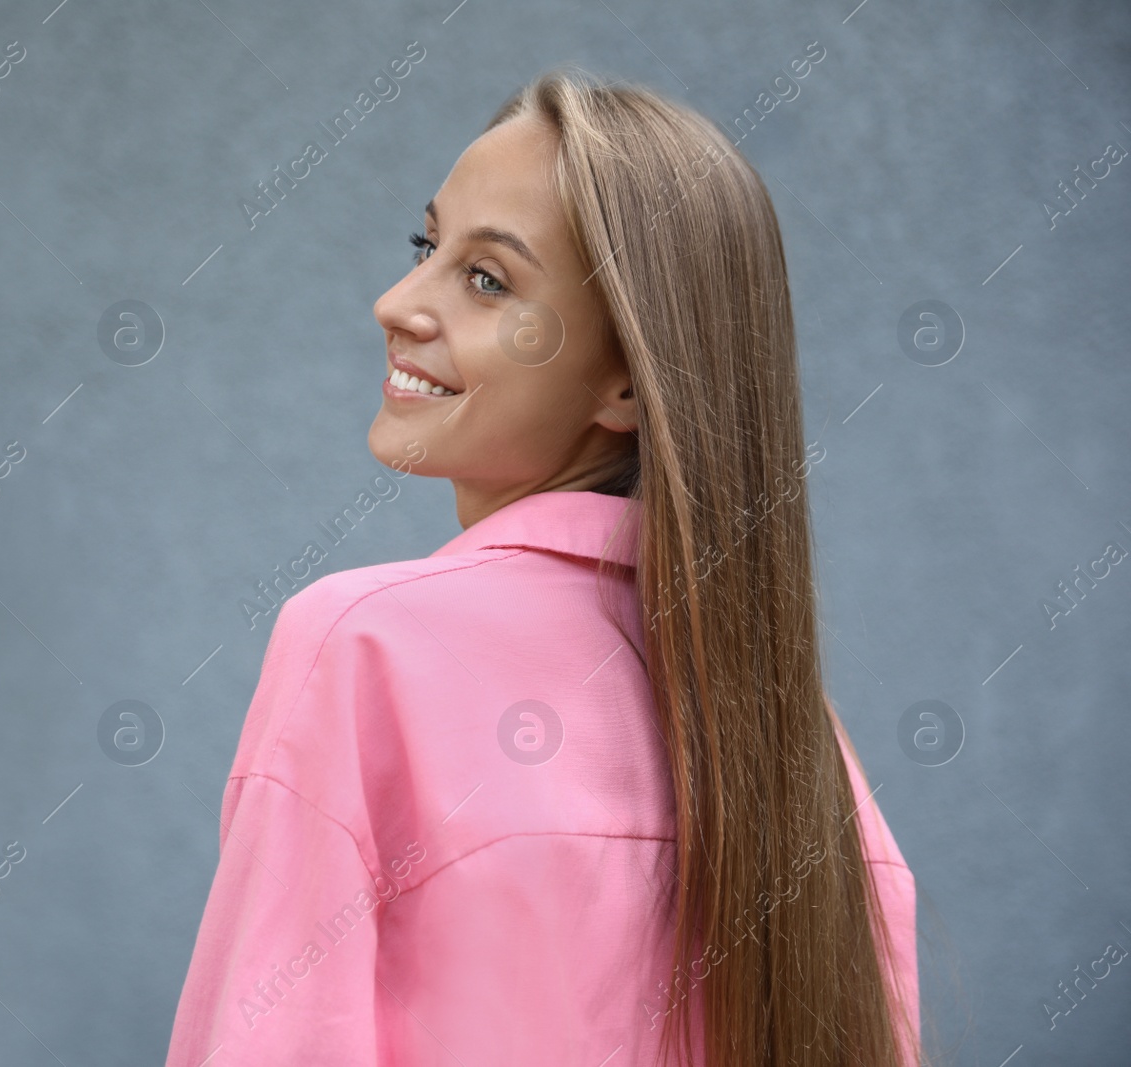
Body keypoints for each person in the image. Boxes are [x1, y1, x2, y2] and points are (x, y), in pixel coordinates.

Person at [164, 67, 921, 1067]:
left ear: (624, 378)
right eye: (425, 246)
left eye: (487, 279)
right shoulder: (800, 743)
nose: (396, 303)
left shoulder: (363, 648)